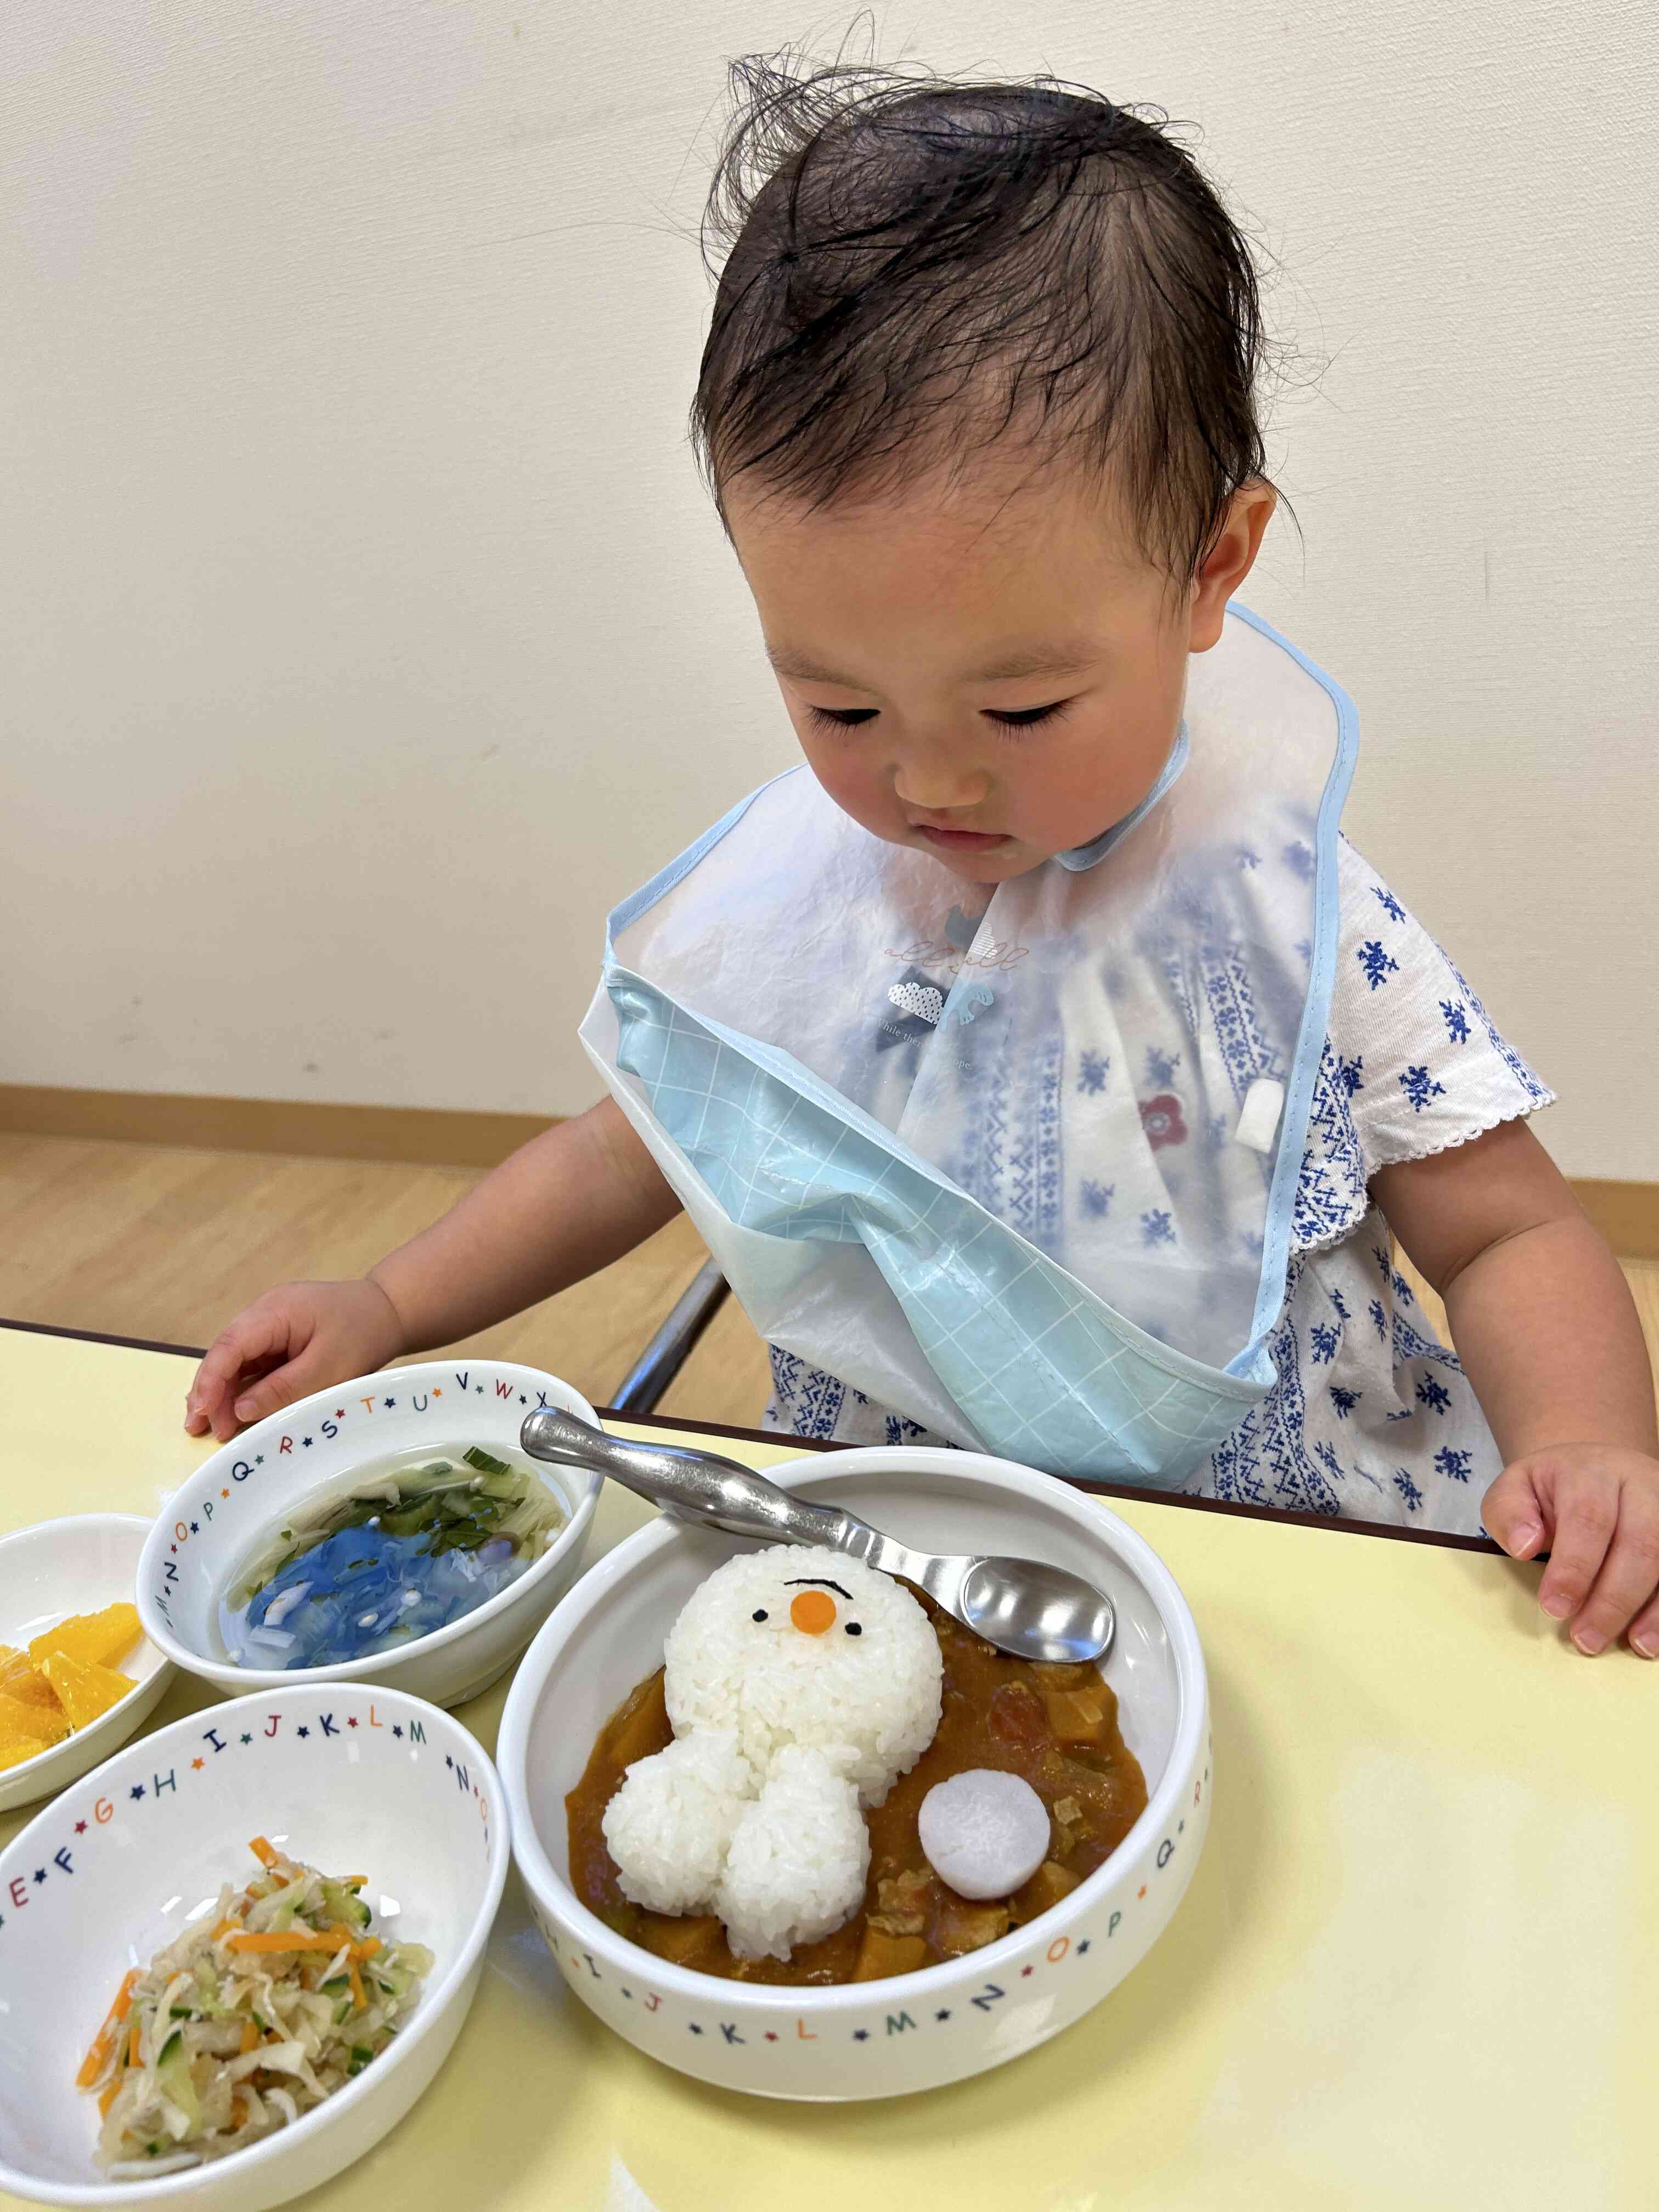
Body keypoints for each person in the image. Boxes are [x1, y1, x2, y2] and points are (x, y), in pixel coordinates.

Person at [185, 58, 1658, 1658]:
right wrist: (391, 1308)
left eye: (1022, 704)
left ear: (1207, 569)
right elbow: (627, 1152)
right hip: (907, 1565)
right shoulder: (820, 898)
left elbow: (1508, 1231)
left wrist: (1593, 1447)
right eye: (839, 699)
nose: (929, 776)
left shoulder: (1286, 908)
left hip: (1298, 1558)